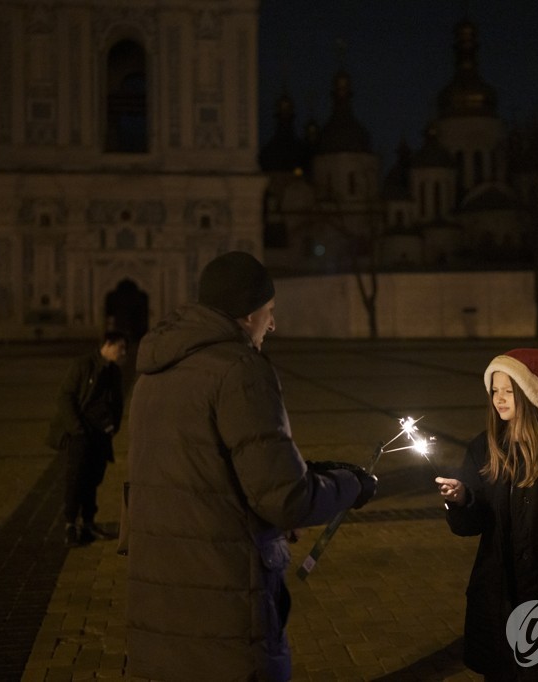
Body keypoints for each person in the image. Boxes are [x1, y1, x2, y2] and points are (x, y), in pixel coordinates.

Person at [125, 251, 378, 682]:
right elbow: (287, 500)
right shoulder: (240, 369)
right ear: (247, 313)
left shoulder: (153, 373)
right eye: (270, 312)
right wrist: (351, 485)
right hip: (224, 600)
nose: (273, 324)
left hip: (158, 594)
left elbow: (204, 477)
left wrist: (286, 492)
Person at [436, 349, 538, 681]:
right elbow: (471, 525)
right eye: (495, 390)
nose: (499, 399)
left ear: (530, 394)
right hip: (495, 600)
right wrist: (462, 499)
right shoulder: (485, 447)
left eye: (509, 390)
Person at [46, 330, 128, 547]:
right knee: (76, 478)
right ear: (108, 345)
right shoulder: (83, 365)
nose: (123, 353)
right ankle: (70, 525)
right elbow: (65, 396)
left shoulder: (114, 372)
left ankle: (89, 522)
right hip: (81, 433)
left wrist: (113, 427)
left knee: (94, 478)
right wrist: (76, 428)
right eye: (121, 348)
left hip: (101, 434)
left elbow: (117, 402)